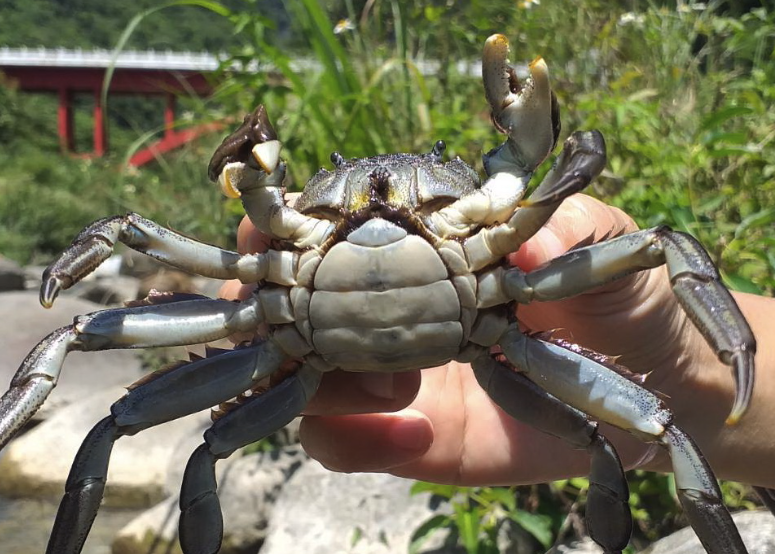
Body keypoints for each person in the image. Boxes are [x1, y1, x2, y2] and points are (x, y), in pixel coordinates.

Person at [219, 193, 775, 488]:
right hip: (492, 373)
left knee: (656, 425)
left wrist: (685, 358)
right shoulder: (275, 256)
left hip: (513, 357)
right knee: (173, 430)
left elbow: (639, 228)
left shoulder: (501, 243)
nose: (384, 200)